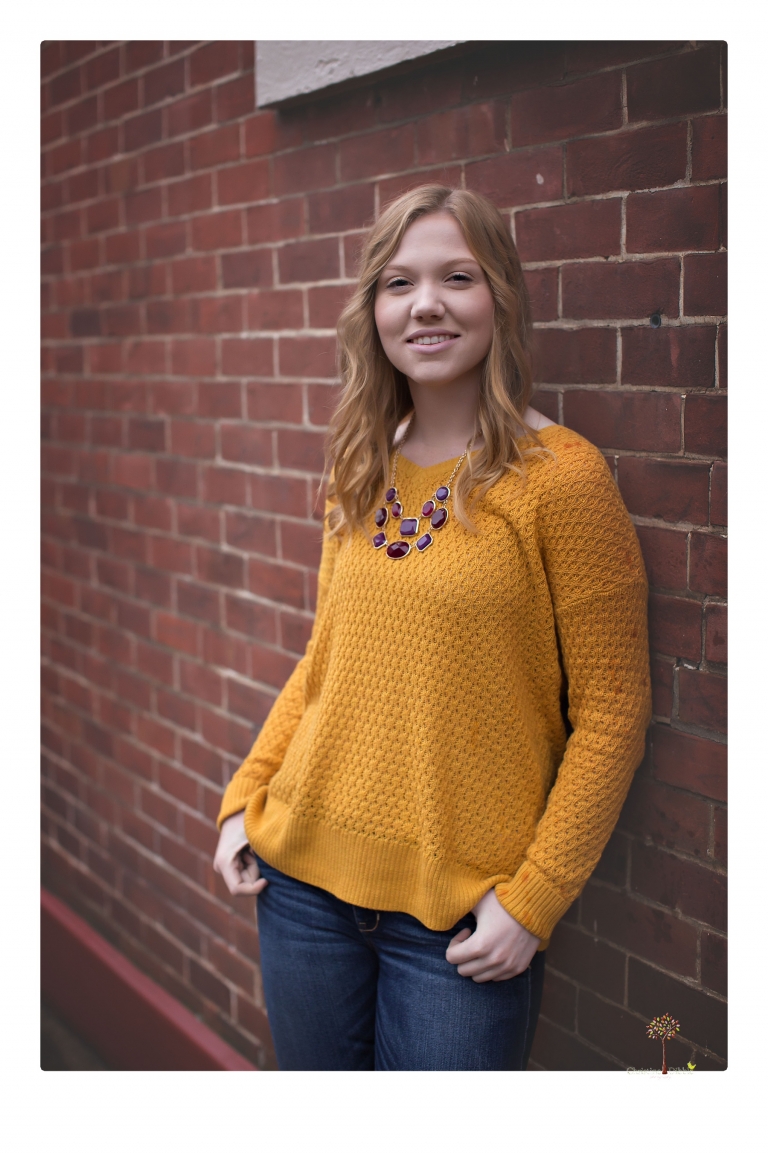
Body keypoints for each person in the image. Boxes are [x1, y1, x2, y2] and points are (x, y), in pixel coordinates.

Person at [213, 185, 652, 1071]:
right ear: (372, 308)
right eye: (399, 283)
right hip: (298, 892)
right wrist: (243, 798)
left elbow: (613, 712)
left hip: (455, 928)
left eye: (458, 276)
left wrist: (534, 900)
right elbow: (323, 663)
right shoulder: (356, 468)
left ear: (502, 298)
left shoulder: (562, 481)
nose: (426, 305)